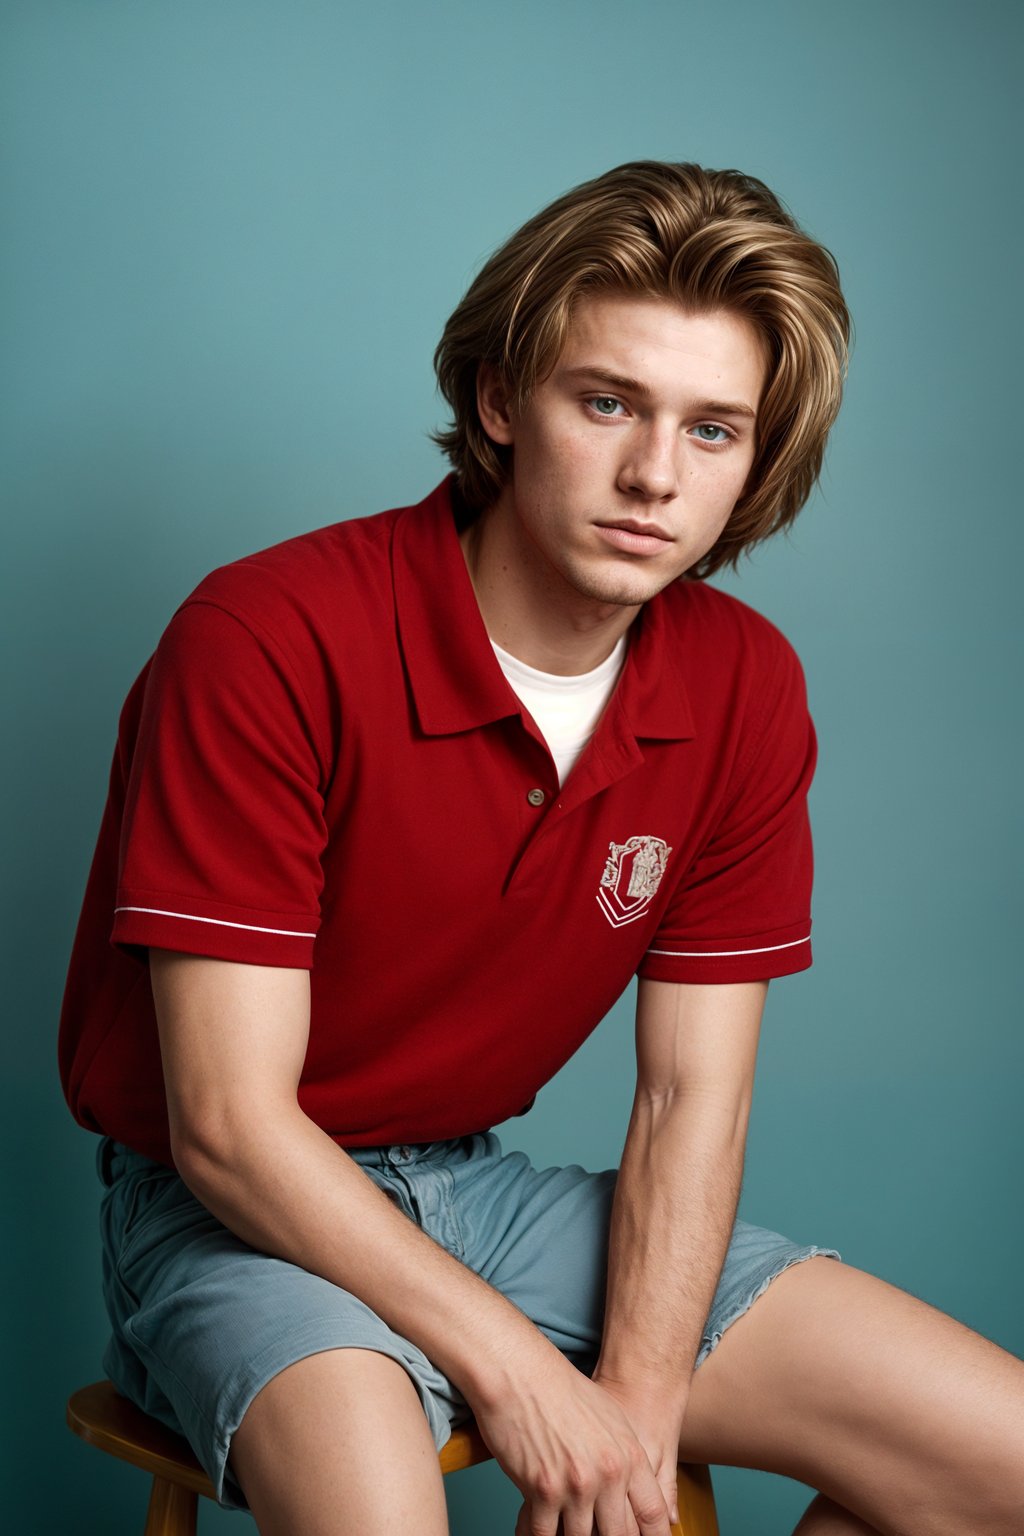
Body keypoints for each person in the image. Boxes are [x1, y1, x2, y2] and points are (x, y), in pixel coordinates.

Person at [59, 162, 1024, 1536]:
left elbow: (690, 1103)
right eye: (607, 402)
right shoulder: (267, 636)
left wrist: (631, 1397)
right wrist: (519, 1375)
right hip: (228, 1213)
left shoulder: (744, 684)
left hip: (482, 1192)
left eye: (713, 431)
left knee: (999, 1471)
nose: (652, 476)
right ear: (502, 401)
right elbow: (227, 1127)